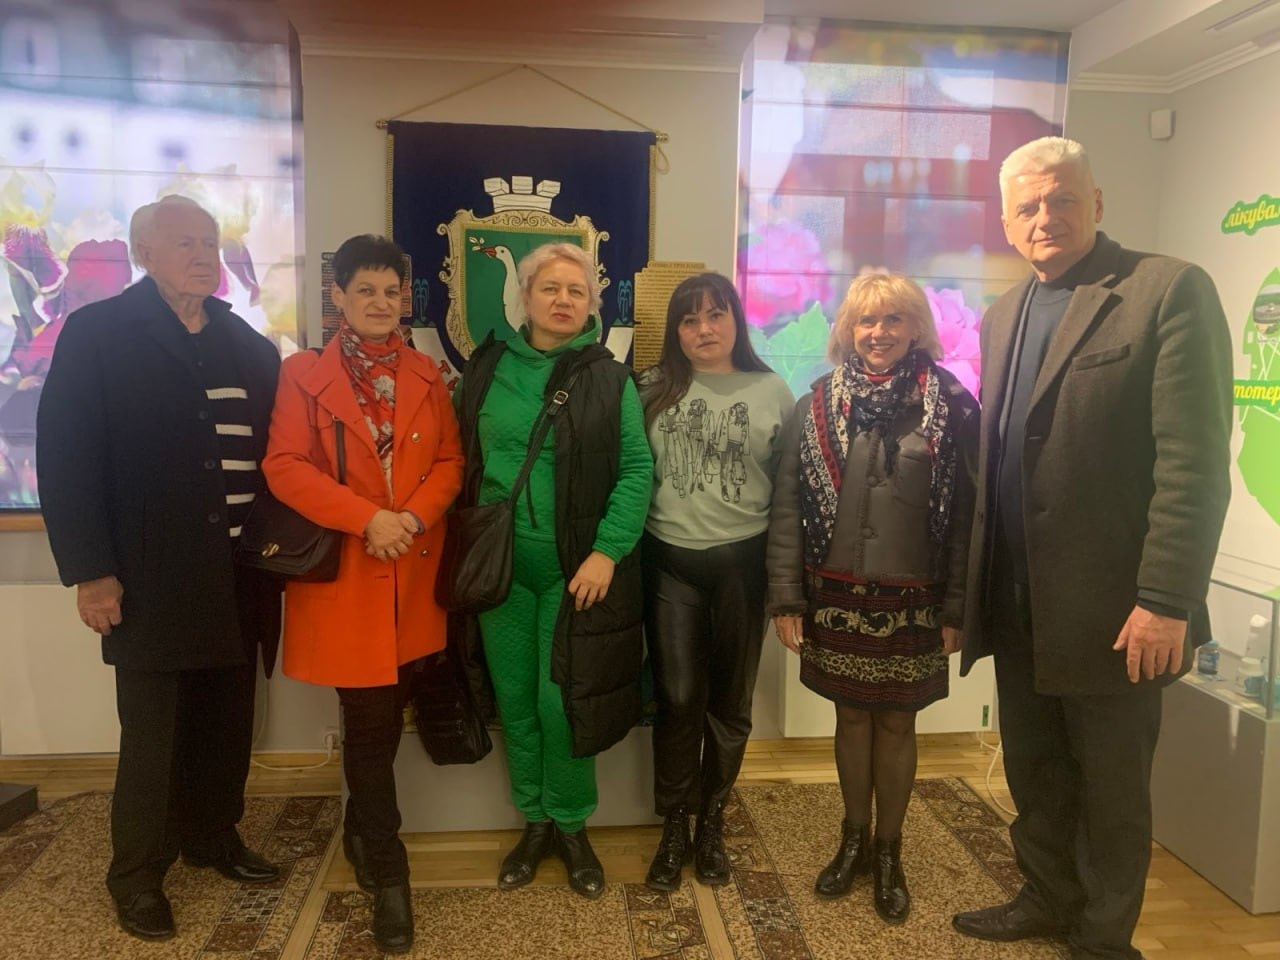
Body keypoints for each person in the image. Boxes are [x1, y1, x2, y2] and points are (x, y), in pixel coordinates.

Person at [951, 137, 1232, 959]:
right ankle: (1047, 898)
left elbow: (1194, 464)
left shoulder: (1166, 290)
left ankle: (1105, 941)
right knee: (1036, 770)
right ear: (1007, 223)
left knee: (1112, 792)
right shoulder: (1003, 315)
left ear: (1097, 203)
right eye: (1028, 206)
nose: (1046, 217)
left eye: (1062, 198)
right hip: (1017, 603)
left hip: (1118, 613)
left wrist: (1166, 600)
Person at [36, 195, 283, 941]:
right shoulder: (98, 333)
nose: (204, 256)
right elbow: (66, 459)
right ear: (144, 253)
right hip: (149, 579)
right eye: (185, 243)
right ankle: (138, 875)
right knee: (153, 738)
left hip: (240, 575)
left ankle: (213, 837)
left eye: (211, 243)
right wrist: (91, 571)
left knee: (228, 722)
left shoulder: (248, 344)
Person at [262, 234, 463, 954]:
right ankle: (389, 868)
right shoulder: (302, 375)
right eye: (366, 290)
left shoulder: (427, 373)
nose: (381, 303)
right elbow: (285, 465)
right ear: (338, 297)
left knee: (385, 717)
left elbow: (450, 461)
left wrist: (409, 519)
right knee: (371, 723)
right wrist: (366, 519)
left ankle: (358, 830)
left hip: (413, 573)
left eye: (391, 291)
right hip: (347, 576)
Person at [767, 273, 978, 924]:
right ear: (847, 330)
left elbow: (968, 519)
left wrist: (958, 608)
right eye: (866, 320)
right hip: (834, 595)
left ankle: (889, 852)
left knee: (897, 722)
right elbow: (788, 505)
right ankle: (852, 840)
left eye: (893, 319)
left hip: (916, 601)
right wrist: (786, 599)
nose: (878, 332)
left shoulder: (950, 404)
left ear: (916, 328)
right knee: (851, 718)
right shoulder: (816, 404)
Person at [453, 242, 652, 899]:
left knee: (558, 703)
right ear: (526, 298)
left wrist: (606, 552)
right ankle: (534, 822)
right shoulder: (486, 369)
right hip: (499, 571)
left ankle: (571, 826)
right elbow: (460, 459)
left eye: (576, 290)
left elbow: (636, 471)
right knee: (514, 701)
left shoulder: (610, 379)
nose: (563, 300)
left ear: (592, 303)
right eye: (550, 288)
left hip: (574, 575)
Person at [637, 272, 794, 891]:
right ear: (675, 331)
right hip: (669, 561)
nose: (703, 329)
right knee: (678, 698)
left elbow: (790, 495)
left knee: (730, 702)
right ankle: (674, 824)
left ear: (736, 320)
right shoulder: (651, 388)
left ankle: (712, 823)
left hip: (743, 565)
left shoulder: (772, 390)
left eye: (715, 315)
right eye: (689, 319)